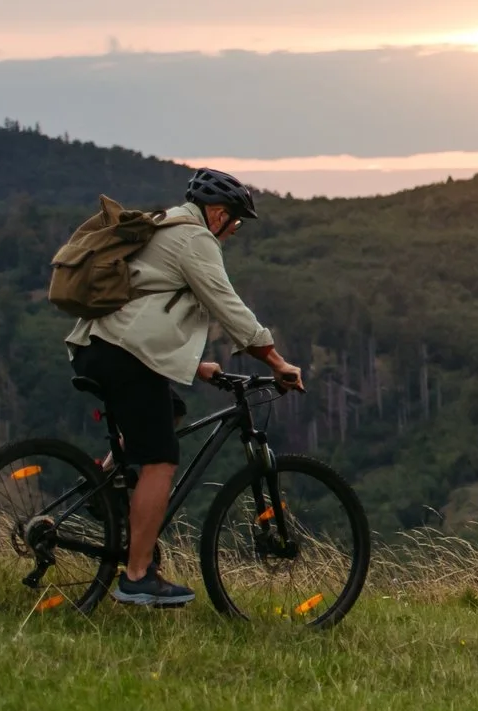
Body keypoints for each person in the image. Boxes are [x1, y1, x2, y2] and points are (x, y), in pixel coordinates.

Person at [62, 168, 303, 608]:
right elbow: (226, 305)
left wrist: (202, 366)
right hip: (123, 355)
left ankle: (107, 482)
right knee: (160, 460)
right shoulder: (195, 239)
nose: (232, 232)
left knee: (168, 412)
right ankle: (136, 576)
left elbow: (152, 310)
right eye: (234, 222)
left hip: (102, 348)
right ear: (216, 212)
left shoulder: (164, 225)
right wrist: (276, 360)